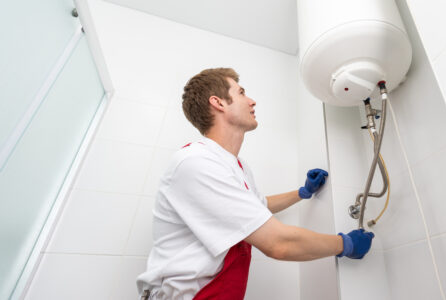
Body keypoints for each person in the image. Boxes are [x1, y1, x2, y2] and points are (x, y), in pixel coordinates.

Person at [136, 68, 375, 300]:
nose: (252, 101)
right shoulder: (196, 162)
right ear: (218, 103)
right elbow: (278, 243)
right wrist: (346, 244)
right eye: (241, 93)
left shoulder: (235, 166)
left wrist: (303, 192)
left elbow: (259, 206)